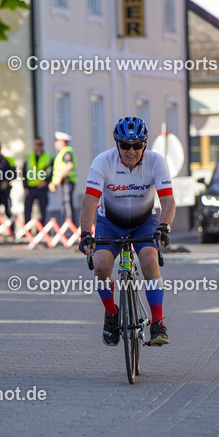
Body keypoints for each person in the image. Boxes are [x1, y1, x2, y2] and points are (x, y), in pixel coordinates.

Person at [78, 117, 175, 347]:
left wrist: (164, 227)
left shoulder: (156, 161)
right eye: (125, 146)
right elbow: (90, 200)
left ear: (144, 144)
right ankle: (111, 314)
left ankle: (158, 323)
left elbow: (168, 201)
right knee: (100, 265)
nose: (131, 151)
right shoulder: (103, 161)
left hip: (144, 221)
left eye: (137, 145)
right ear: (117, 145)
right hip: (110, 222)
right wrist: (85, 233)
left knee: (150, 259)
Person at [24, 136, 53, 223]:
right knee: (27, 209)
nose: (39, 146)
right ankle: (27, 228)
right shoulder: (30, 157)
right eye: (37, 144)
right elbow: (24, 172)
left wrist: (46, 181)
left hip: (42, 187)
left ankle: (41, 228)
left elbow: (52, 171)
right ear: (34, 145)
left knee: (42, 209)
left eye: (41, 144)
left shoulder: (48, 157)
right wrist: (25, 186)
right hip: (30, 188)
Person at [50, 131, 78, 224]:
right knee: (64, 206)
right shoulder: (62, 153)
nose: (55, 143)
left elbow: (69, 165)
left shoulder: (66, 152)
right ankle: (67, 226)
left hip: (66, 182)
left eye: (57, 141)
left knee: (67, 205)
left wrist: (59, 178)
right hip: (63, 183)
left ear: (62, 142)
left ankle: (70, 227)